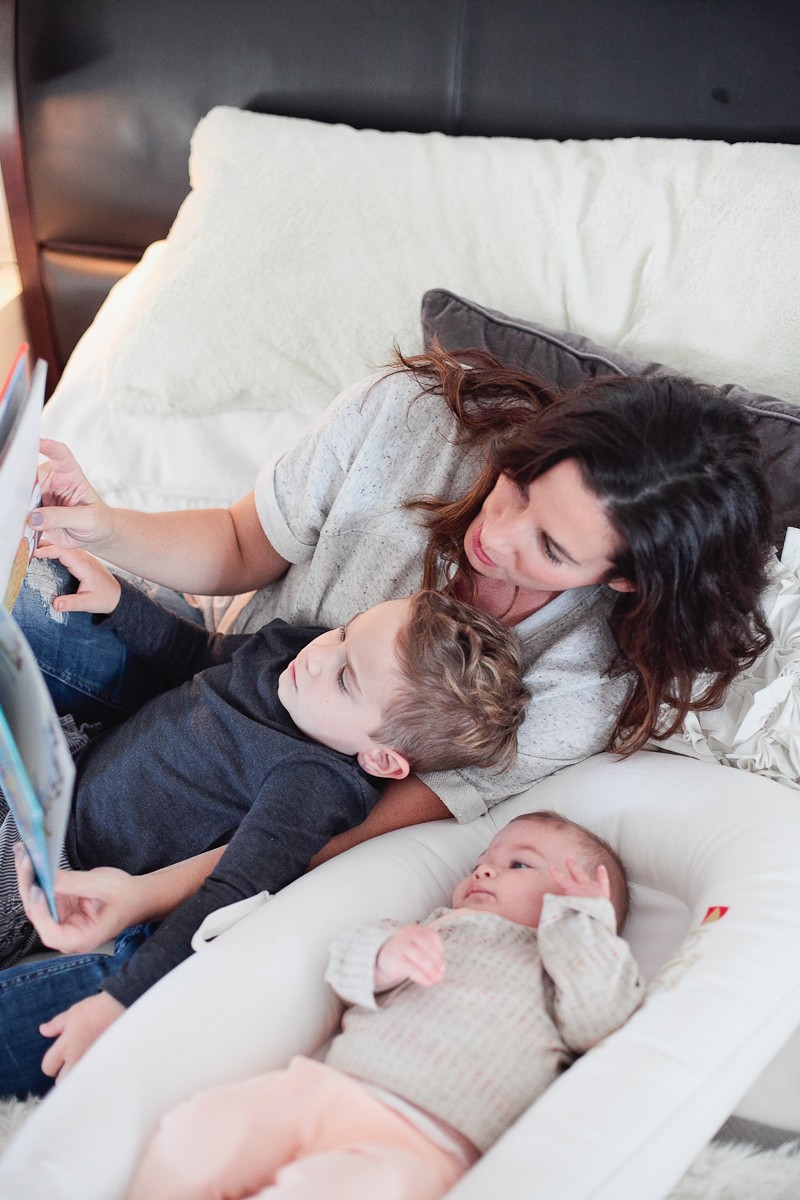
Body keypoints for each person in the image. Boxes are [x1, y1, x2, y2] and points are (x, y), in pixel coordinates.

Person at [5, 347, 771, 1082]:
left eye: (549, 545)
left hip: (190, 839)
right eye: (520, 484)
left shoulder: (586, 684)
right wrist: (103, 530)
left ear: (624, 581)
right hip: (173, 703)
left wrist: (141, 897)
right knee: (39, 576)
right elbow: (233, 577)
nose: (494, 535)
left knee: (125, 994)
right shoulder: (410, 420)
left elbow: (308, 845)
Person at [0, 546, 528, 1098]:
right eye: (346, 632)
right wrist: (119, 604)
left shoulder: (315, 785)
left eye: (346, 679)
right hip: (60, 767)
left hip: (55, 863)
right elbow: (198, 654)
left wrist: (118, 1001)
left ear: (381, 759)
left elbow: (228, 888)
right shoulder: (295, 655)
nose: (321, 656)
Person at [124, 811, 644, 1200]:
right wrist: (386, 957)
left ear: (583, 900)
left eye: (518, 864)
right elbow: (347, 964)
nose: (483, 872)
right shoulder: (437, 926)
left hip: (426, 1145)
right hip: (325, 1088)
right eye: (480, 862)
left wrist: (583, 924)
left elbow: (599, 1020)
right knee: (203, 1133)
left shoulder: (568, 963)